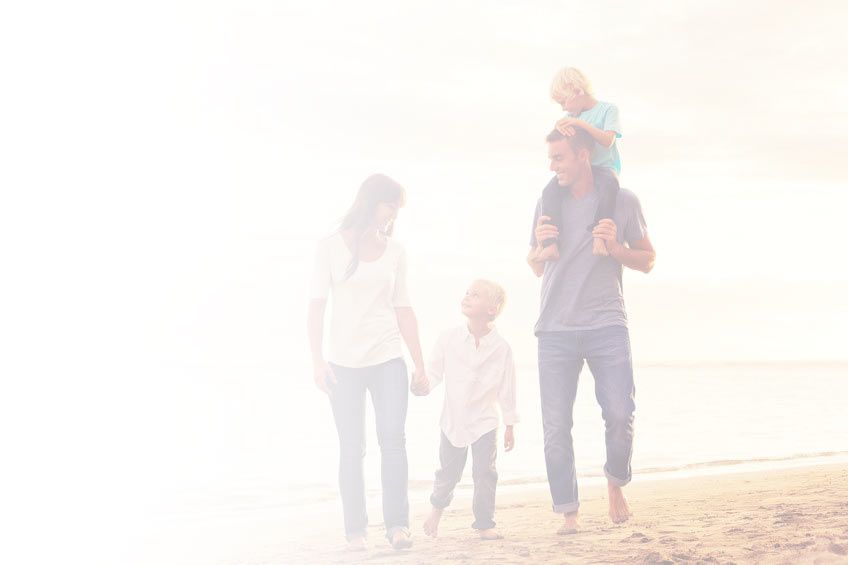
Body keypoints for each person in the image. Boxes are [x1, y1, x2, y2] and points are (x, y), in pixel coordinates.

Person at [526, 128, 655, 534]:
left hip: (606, 324)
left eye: (559, 157)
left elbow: (648, 259)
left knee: (619, 413)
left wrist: (615, 248)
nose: (552, 166)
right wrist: (539, 248)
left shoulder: (622, 200)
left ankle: (615, 482)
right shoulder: (547, 202)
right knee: (555, 427)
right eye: (551, 158)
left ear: (583, 155)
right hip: (555, 329)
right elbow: (534, 264)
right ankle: (569, 512)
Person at [307, 174, 428, 551]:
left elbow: (404, 308)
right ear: (371, 202)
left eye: (397, 208)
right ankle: (355, 531)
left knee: (393, 442)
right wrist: (317, 362)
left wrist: (419, 364)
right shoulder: (329, 248)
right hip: (343, 364)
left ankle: (398, 527)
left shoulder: (396, 252)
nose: (394, 214)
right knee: (351, 448)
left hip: (388, 358)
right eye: (390, 205)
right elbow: (316, 307)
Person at [416, 279, 519, 541]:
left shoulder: (501, 348)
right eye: (467, 292)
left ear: (492, 309)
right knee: (447, 473)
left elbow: (507, 388)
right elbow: (433, 373)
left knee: (485, 474)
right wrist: (422, 385)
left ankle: (484, 524)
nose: (467, 296)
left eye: (475, 295)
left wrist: (510, 424)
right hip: (453, 419)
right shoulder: (448, 338)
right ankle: (436, 511)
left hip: (485, 421)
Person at [539, 67, 624, 260]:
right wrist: (559, 129)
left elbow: (608, 140)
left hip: (603, 169)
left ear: (578, 92)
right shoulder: (569, 119)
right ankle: (551, 244)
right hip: (580, 171)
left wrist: (580, 124)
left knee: (609, 187)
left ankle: (599, 238)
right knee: (549, 191)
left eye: (564, 102)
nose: (563, 108)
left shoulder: (608, 110)